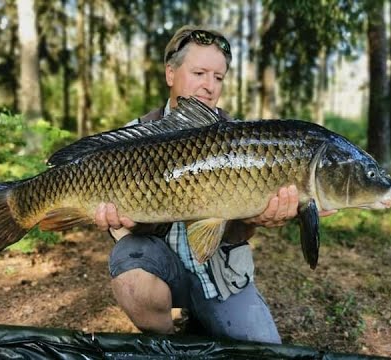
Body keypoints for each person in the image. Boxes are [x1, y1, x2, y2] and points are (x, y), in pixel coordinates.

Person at [94, 25, 299, 344]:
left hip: (220, 277)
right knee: (129, 264)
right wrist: (117, 224)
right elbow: (119, 229)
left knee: (265, 350)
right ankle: (168, 341)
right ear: (170, 74)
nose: (209, 86)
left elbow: (244, 226)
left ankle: (205, 318)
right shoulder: (133, 138)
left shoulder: (246, 142)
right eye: (200, 72)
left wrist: (257, 220)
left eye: (218, 78)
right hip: (161, 270)